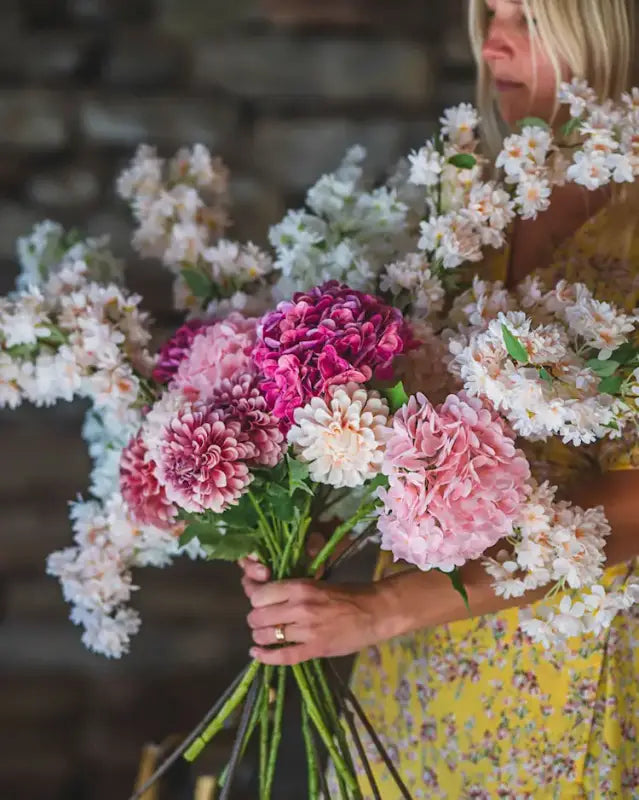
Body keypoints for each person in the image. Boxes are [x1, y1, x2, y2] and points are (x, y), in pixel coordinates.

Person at [239, 0, 639, 796]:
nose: (492, 41)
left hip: (562, 666)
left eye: (527, 18)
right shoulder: (469, 194)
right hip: (406, 663)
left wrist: (386, 608)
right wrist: (299, 532)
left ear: (605, 26)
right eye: (488, 13)